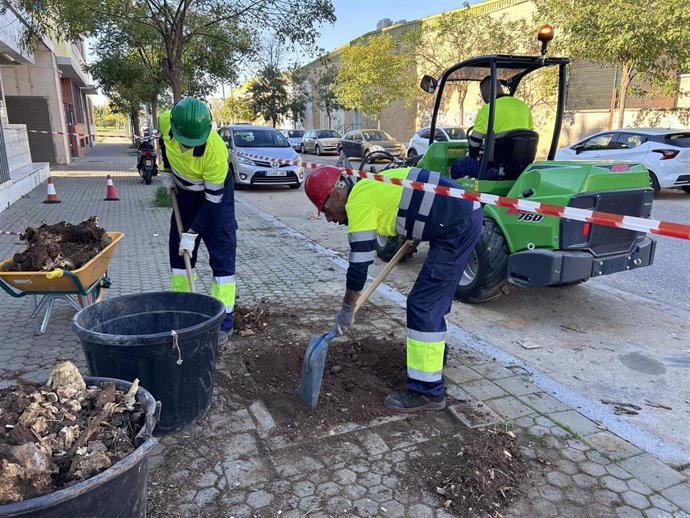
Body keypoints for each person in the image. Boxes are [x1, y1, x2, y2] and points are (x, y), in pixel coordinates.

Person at [304, 165, 483, 412]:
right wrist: (419, 225)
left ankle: (427, 392)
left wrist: (347, 308)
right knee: (433, 300)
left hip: (457, 226)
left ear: (337, 195)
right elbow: (414, 193)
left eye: (325, 209)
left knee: (423, 304)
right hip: (460, 215)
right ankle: (432, 357)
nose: (329, 218)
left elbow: (359, 266)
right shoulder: (369, 183)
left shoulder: (358, 203)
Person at [159, 98, 237, 344]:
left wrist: (192, 233)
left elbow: (212, 201)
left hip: (216, 200)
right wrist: (168, 171)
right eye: (182, 141)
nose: (185, 147)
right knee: (179, 259)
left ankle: (224, 322)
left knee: (222, 262)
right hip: (183, 196)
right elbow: (163, 145)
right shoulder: (166, 122)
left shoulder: (215, 151)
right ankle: (184, 315)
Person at [451, 76, 533, 179]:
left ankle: (453, 193)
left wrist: (474, 153)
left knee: (457, 165)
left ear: (484, 93)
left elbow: (474, 144)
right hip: (520, 166)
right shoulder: (524, 107)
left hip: (494, 166)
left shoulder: (488, 110)